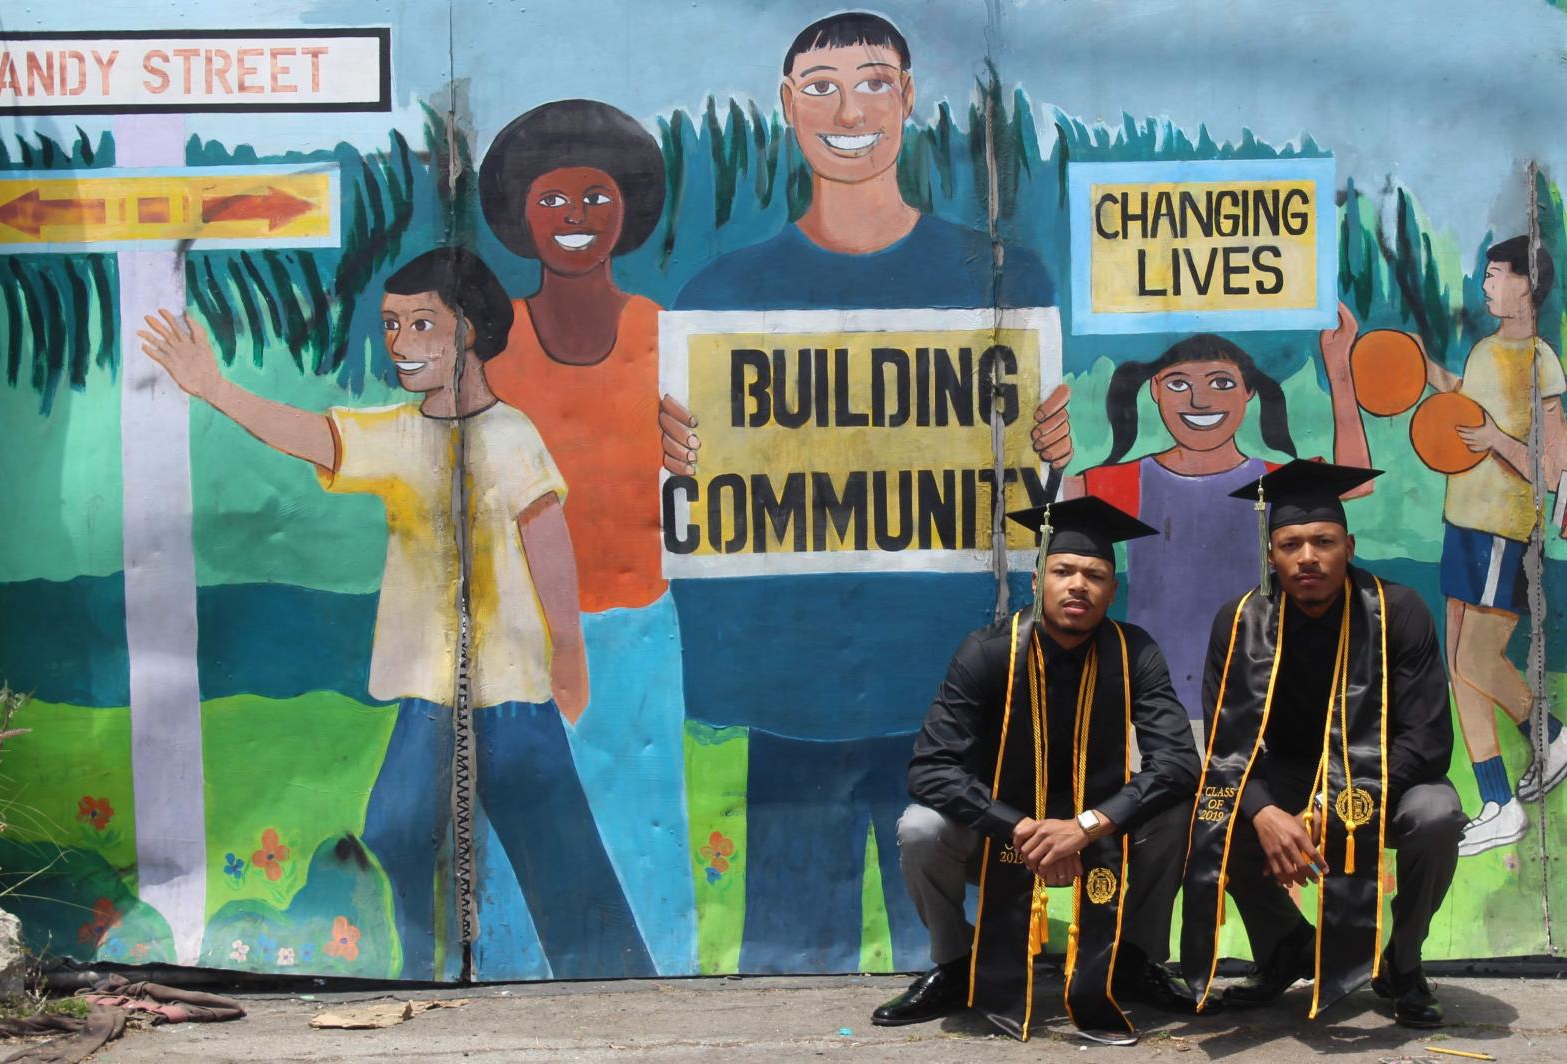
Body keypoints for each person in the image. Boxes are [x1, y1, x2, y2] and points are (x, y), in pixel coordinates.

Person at [660, 10, 1056, 974]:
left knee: (959, 955)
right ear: (788, 105)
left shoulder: (1003, 277)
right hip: (784, 687)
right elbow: (685, 518)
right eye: (823, 84)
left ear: (911, 99)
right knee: (787, 960)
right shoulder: (718, 297)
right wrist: (663, 455)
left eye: (876, 80)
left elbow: (1050, 512)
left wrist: (1060, 459)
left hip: (953, 679)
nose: (850, 108)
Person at [136, 248, 655, 980]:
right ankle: (427, 966)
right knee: (397, 827)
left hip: (513, 697)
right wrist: (214, 389)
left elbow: (550, 552)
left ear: (469, 330)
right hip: (429, 694)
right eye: (390, 326)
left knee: (558, 849)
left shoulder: (511, 438)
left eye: (421, 324)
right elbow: (311, 433)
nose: (402, 344)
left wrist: (568, 658)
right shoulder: (399, 437)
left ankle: (615, 979)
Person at [478, 100, 695, 971]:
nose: (575, 218)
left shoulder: (662, 336)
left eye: (596, 197)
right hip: (517, 639)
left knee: (644, 822)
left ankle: (663, 982)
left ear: (629, 209)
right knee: (520, 843)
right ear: (519, 215)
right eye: (553, 199)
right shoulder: (493, 347)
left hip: (640, 624)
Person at [876, 497, 1204, 1038]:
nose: (1079, 585)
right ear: (1037, 581)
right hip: (1001, 834)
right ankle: (957, 966)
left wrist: (1086, 826)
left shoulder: (1135, 652)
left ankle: (1134, 960)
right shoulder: (985, 653)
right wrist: (1021, 828)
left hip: (1098, 829)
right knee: (922, 828)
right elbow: (931, 769)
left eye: (1095, 575)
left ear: (1112, 591)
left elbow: (1176, 762)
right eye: (1064, 571)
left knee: (1176, 813)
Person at [1181, 460, 1463, 1028]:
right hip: (1283, 776)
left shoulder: (1398, 612)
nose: (1307, 556)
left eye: (1323, 541)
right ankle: (1286, 947)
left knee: (1437, 814)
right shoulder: (1238, 623)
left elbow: (1428, 740)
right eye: (1291, 544)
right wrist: (1261, 810)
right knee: (1209, 812)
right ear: (1271, 555)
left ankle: (1402, 965)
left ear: (1349, 546)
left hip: (1381, 776)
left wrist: (1331, 803)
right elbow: (1221, 742)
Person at [1029, 310, 1371, 715]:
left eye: (1222, 383)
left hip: (1253, 696)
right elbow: (1054, 514)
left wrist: (1339, 368)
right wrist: (1049, 458)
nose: (1200, 400)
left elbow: (1357, 482)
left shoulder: (1274, 479)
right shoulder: (1130, 479)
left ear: (1248, 392)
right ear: (1155, 389)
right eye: (1179, 384)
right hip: (1152, 699)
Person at [1421, 236, 1567, 855]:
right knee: (1462, 671)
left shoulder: (1541, 360)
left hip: (1504, 531)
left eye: (1494, 275)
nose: (1484, 287)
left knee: (1477, 662)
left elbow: (1553, 466)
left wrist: (1495, 440)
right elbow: (1471, 399)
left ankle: (1553, 734)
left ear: (1526, 286)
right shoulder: (1486, 348)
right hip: (1463, 522)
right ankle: (1498, 801)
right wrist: (1424, 372)